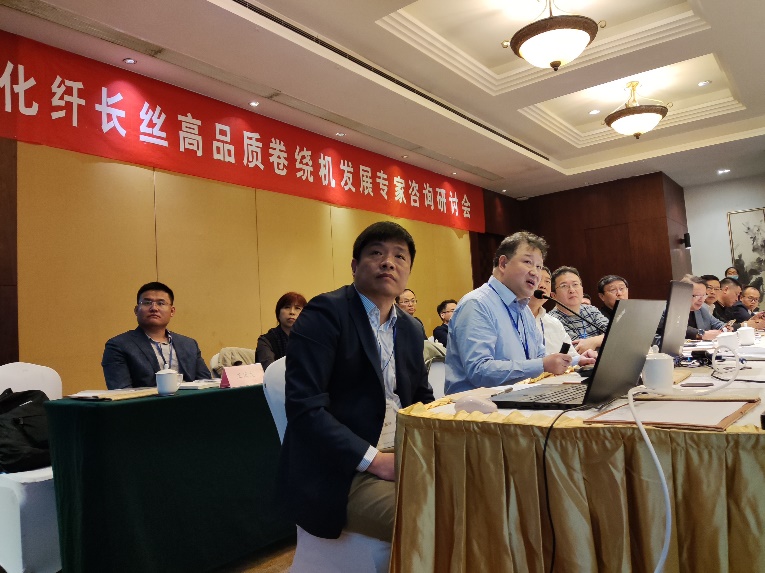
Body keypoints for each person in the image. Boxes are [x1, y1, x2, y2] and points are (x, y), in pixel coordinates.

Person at [277, 221, 433, 542]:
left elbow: (421, 399)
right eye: (376, 253)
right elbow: (305, 409)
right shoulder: (325, 313)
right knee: (433, 518)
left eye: (399, 256)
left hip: (402, 453)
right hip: (343, 470)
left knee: (480, 492)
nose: (388, 262)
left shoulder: (411, 328)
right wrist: (376, 461)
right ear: (354, 266)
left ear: (408, 272)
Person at [445, 231, 589, 395]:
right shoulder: (477, 304)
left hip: (522, 397)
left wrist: (577, 361)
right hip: (476, 406)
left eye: (539, 266)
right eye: (528, 262)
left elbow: (540, 358)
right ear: (503, 264)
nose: (535, 273)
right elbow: (479, 371)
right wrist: (542, 364)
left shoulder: (524, 310)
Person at [102, 282, 211, 389]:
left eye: (161, 303)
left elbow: (206, 384)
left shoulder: (189, 344)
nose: (154, 308)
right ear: (136, 310)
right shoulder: (118, 345)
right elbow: (122, 391)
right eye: (147, 303)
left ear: (172, 311)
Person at [529, 267, 595, 361]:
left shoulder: (554, 323)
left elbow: (571, 355)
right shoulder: (514, 319)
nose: (543, 285)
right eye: (538, 280)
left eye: (547, 281)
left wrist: (581, 359)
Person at [548, 266, 609, 353]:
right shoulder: (552, 320)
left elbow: (615, 334)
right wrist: (603, 340)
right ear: (554, 295)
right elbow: (577, 350)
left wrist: (593, 341)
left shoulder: (591, 310)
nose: (572, 290)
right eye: (564, 286)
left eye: (575, 284)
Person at [256, 292, 307, 371]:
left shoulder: (310, 339)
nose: (292, 312)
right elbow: (270, 370)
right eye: (287, 307)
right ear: (278, 313)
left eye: (297, 308)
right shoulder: (266, 341)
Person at [682, 275, 725, 340]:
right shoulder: (670, 309)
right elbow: (678, 328)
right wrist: (702, 333)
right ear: (683, 294)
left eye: (704, 295)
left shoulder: (703, 308)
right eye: (697, 296)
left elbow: (718, 324)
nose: (701, 300)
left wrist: (726, 328)